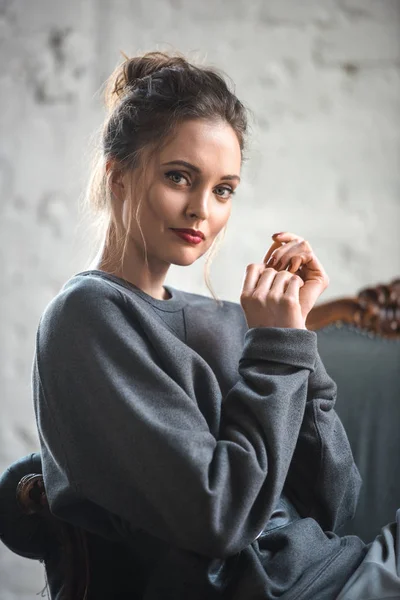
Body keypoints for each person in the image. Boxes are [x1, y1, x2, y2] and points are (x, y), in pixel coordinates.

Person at [32, 50, 400, 600]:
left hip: (334, 568)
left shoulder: (228, 319)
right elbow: (222, 517)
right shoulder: (88, 316)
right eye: (179, 177)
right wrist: (274, 351)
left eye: (223, 189)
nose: (202, 209)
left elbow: (333, 503)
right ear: (119, 176)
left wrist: (296, 340)